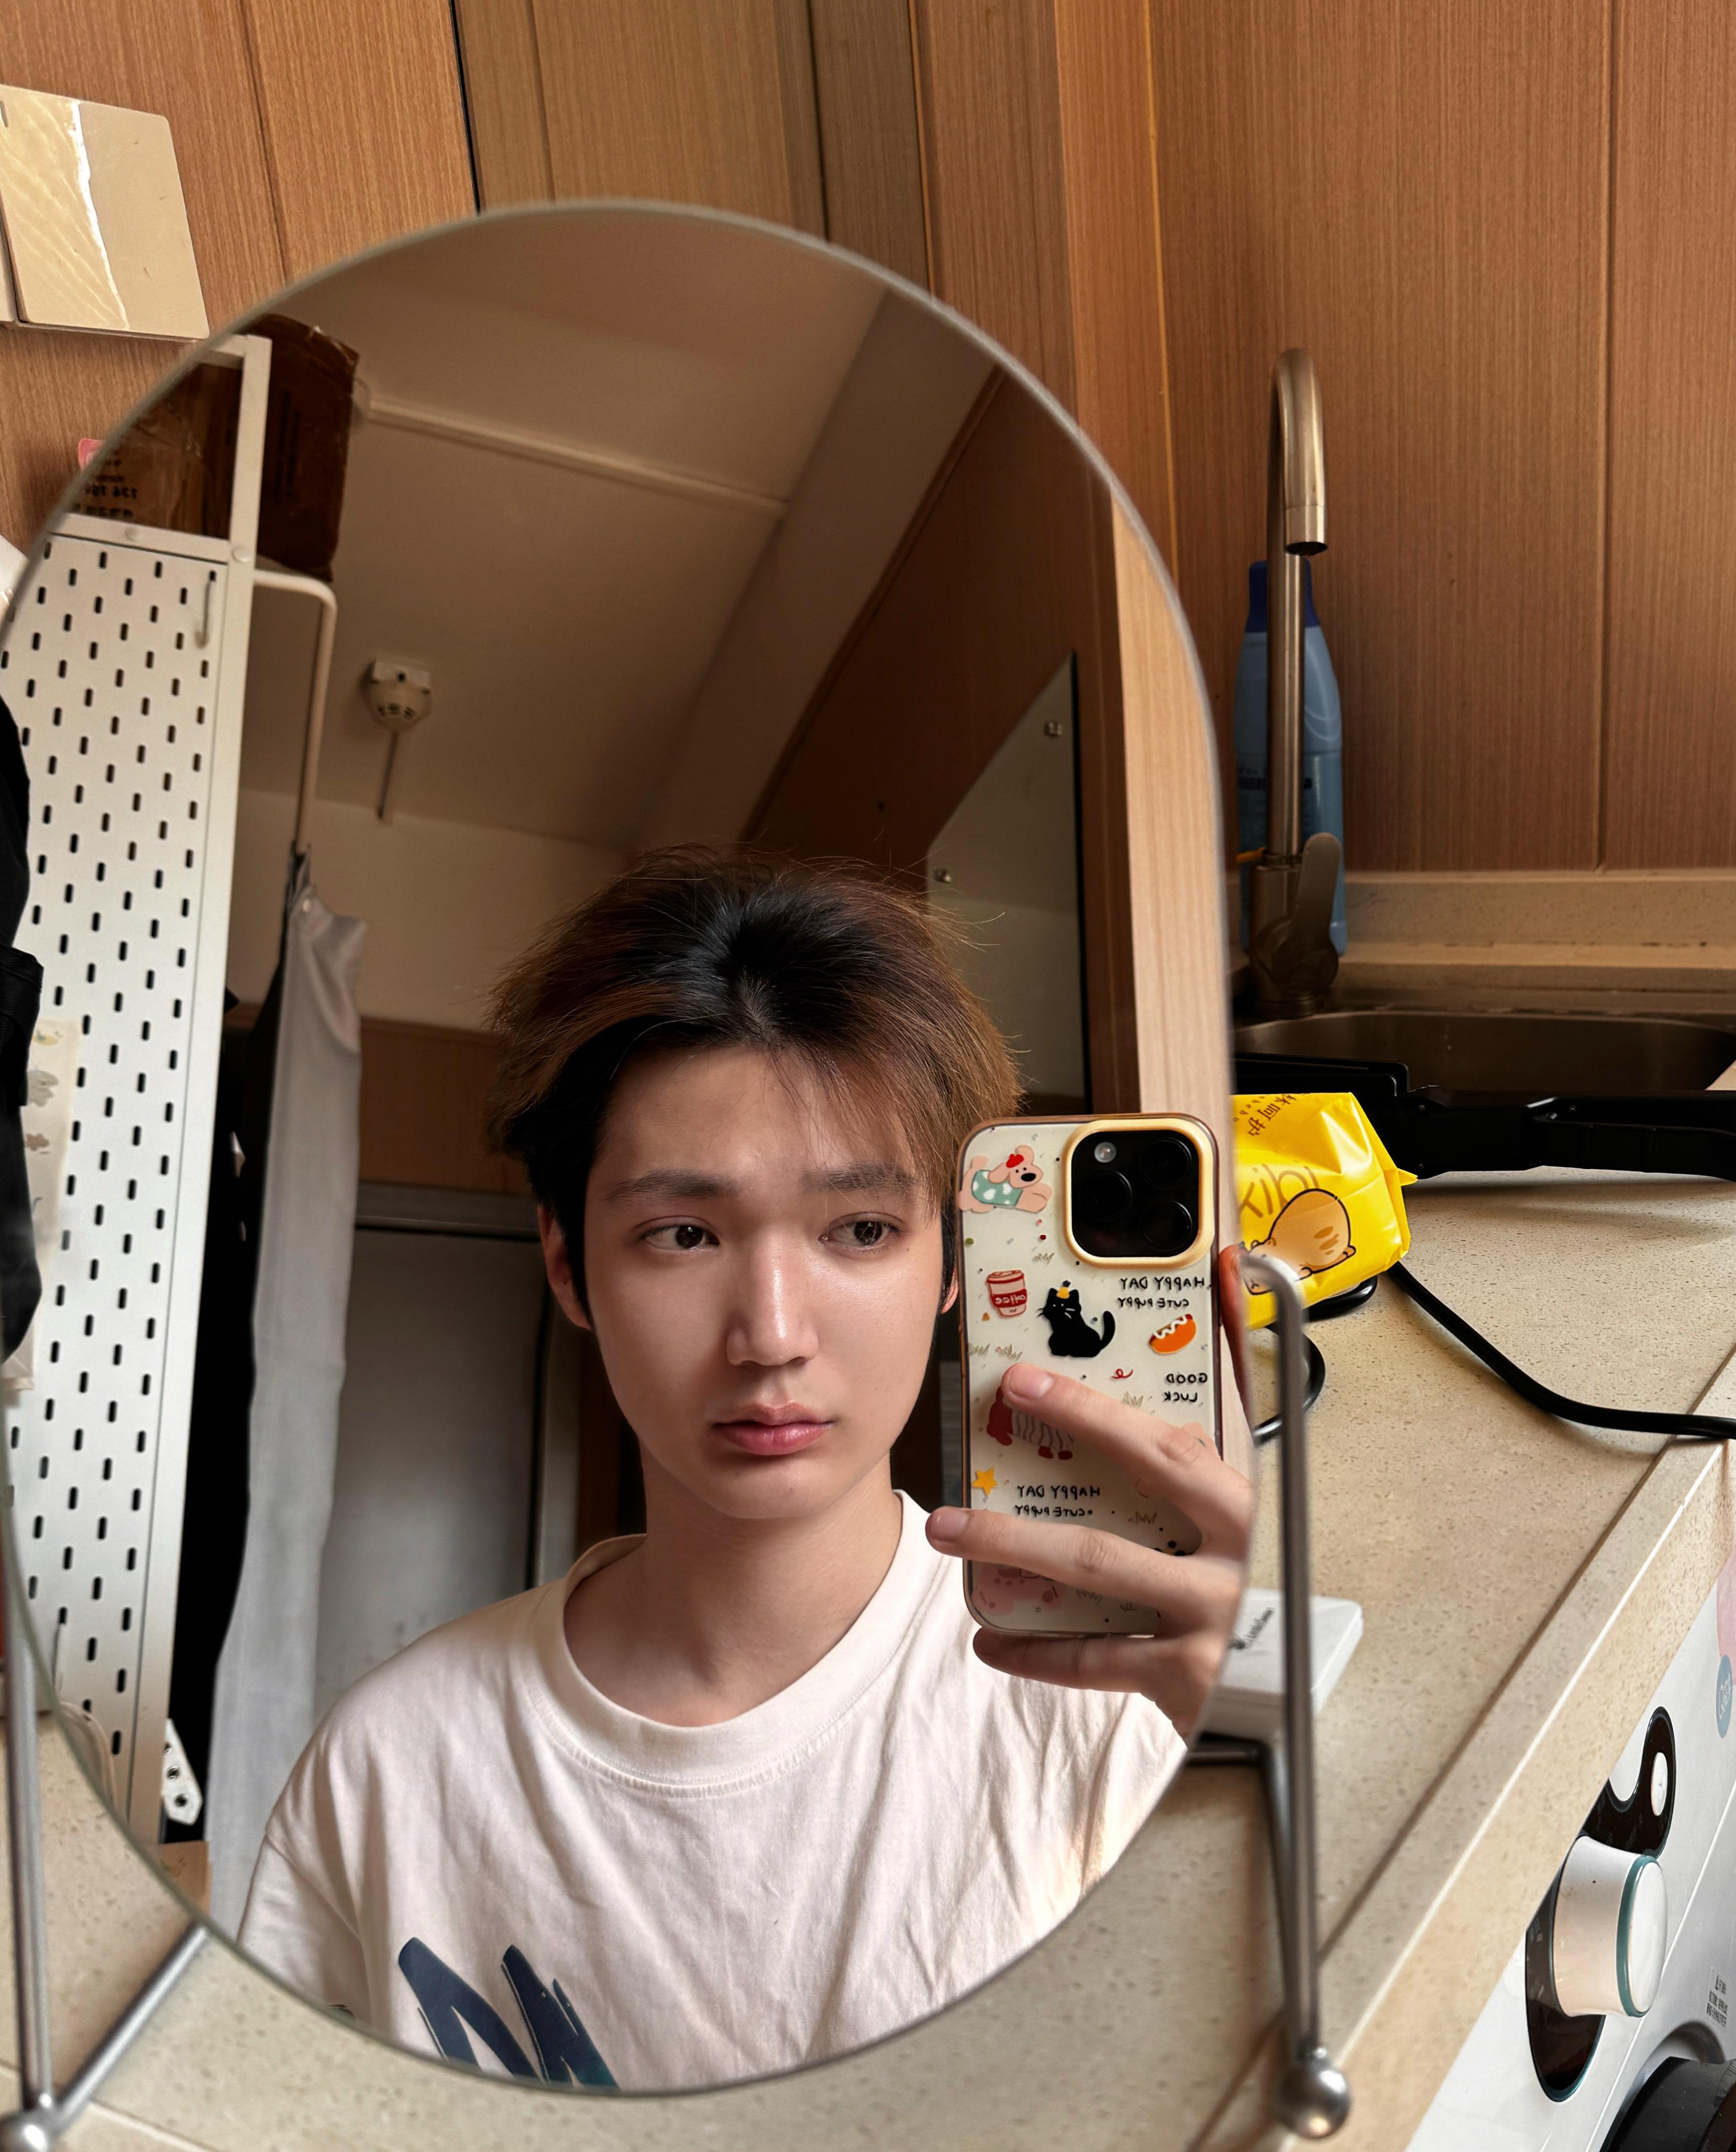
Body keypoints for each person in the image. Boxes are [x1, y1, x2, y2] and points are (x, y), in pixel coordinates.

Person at [239, 849, 1250, 2089]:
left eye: (860, 1229)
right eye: (682, 1233)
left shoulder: (1122, 1714)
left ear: (954, 1262)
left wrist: (1274, 1756)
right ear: (566, 1264)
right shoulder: (386, 1766)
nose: (770, 1334)